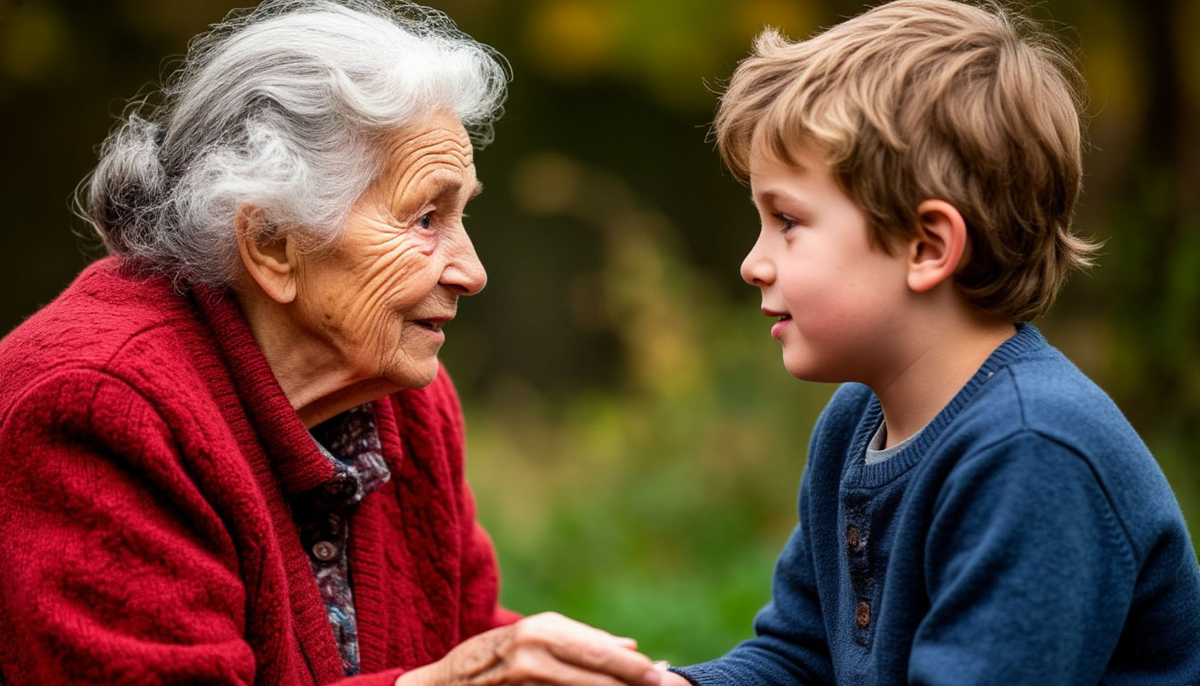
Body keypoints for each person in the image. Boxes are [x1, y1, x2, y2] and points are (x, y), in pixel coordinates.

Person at [0, 2, 665, 685]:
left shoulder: (406, 398)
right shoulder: (98, 412)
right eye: (426, 216)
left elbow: (467, 642)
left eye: (463, 213)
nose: (472, 272)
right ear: (273, 246)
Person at [659, 1, 1200, 684]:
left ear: (927, 245)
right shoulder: (855, 424)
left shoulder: (1033, 452)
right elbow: (801, 660)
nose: (753, 262)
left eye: (788, 221)